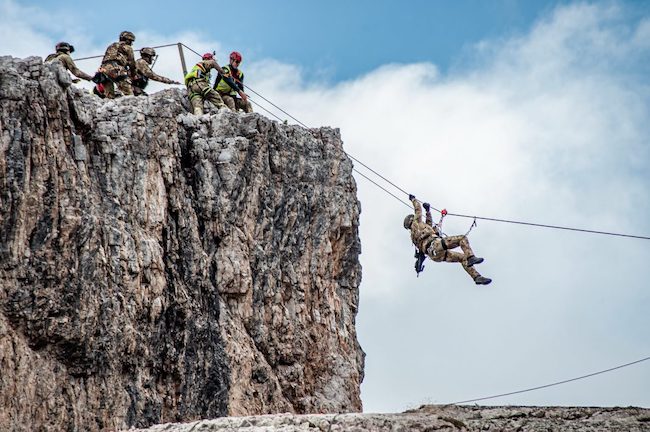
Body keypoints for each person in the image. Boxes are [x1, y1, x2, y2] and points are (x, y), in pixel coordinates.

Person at [404, 194, 492, 285]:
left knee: (462, 258)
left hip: (435, 255)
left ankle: (477, 277)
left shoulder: (415, 234)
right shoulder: (415, 223)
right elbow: (418, 210)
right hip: (435, 245)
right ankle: (471, 257)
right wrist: (413, 199)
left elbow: (428, 224)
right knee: (462, 238)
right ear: (411, 220)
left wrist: (428, 211)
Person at [97, 31, 137, 98]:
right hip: (116, 69)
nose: (131, 43)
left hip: (103, 70)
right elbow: (132, 64)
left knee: (109, 96)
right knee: (129, 95)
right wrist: (133, 75)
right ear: (127, 40)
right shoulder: (128, 48)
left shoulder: (111, 46)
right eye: (131, 41)